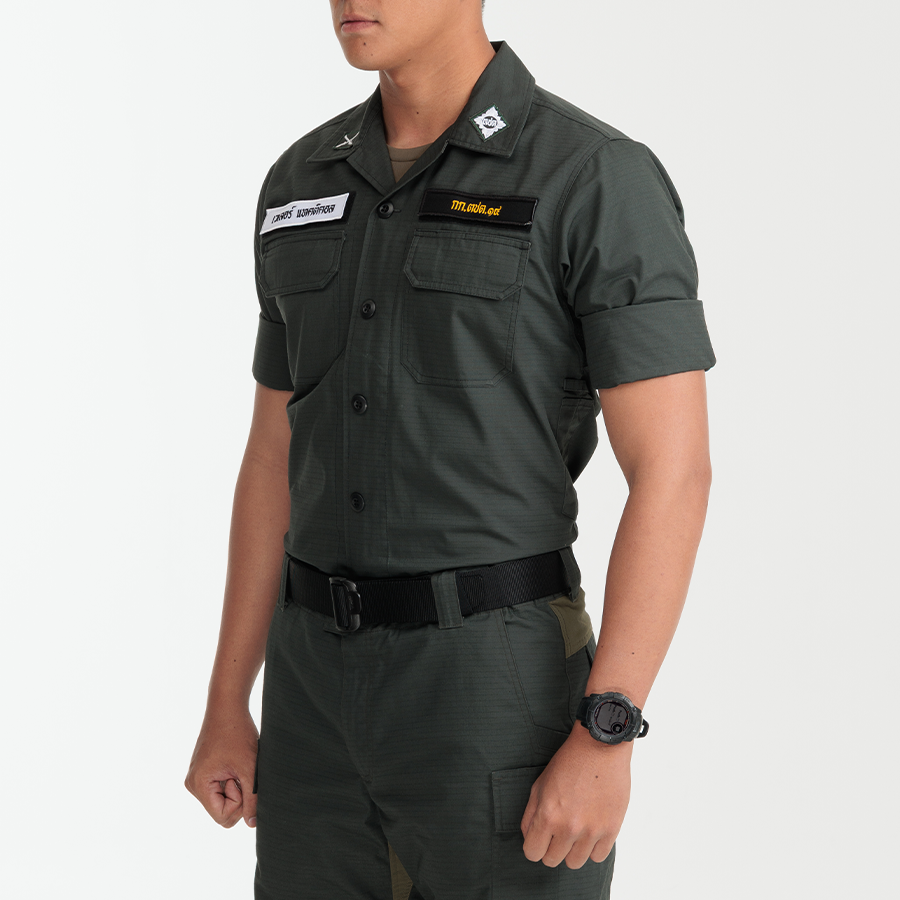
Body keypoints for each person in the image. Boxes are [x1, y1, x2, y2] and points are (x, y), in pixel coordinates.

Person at [184, 2, 715, 898]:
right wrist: (227, 700)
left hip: (493, 683)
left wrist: (607, 730)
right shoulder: (299, 180)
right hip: (312, 690)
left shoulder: (593, 176)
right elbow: (274, 454)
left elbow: (674, 472)